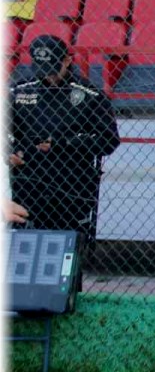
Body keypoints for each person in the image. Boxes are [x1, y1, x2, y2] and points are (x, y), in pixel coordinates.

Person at [9, 35, 120, 249]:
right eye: (42, 69)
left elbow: (109, 140)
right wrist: (11, 152)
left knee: (67, 245)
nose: (48, 76)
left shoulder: (91, 95)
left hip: (72, 182)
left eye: (53, 68)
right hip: (28, 181)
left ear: (67, 60)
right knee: (23, 244)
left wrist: (63, 143)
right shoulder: (18, 91)